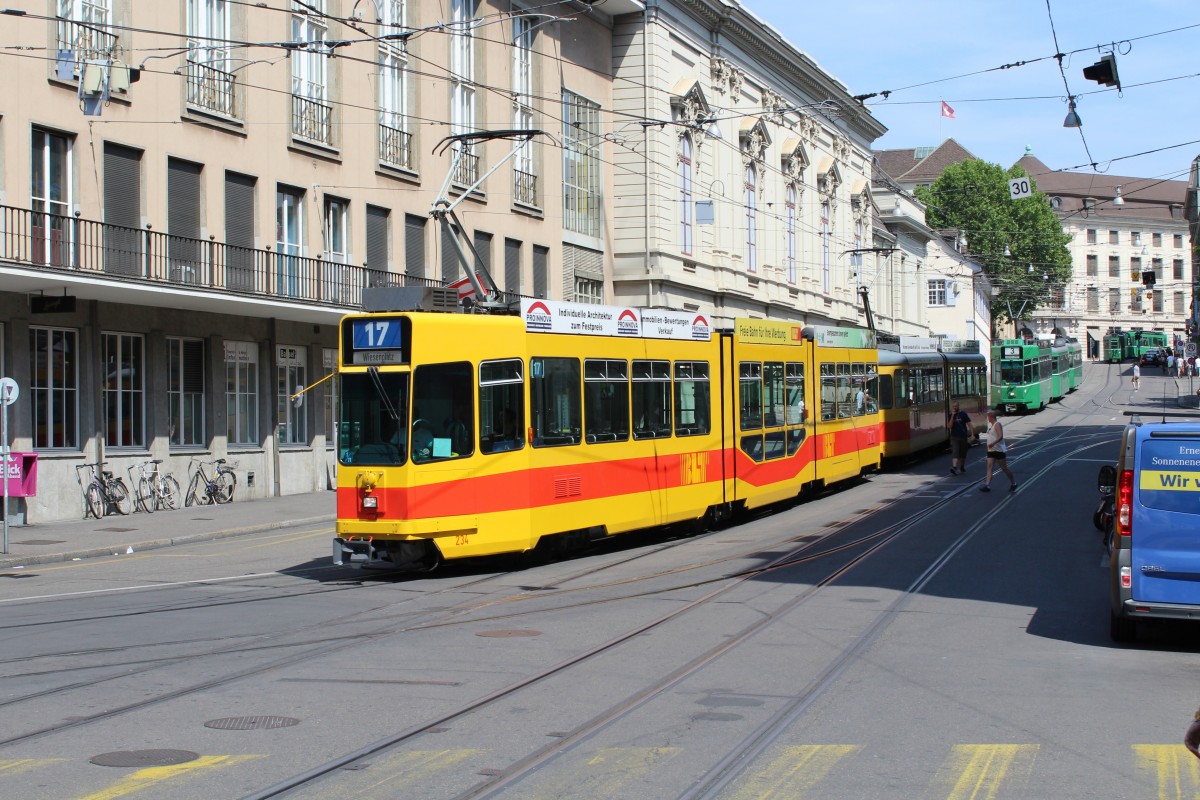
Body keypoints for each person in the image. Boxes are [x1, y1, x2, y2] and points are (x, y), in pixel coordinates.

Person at [978, 409, 1017, 493]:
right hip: (991, 450)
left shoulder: (997, 424)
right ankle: (987, 485)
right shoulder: (991, 425)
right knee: (989, 467)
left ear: (991, 416)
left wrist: (993, 443)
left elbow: (1000, 436)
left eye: (988, 415)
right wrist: (990, 445)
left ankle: (1013, 483)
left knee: (1004, 468)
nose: (987, 417)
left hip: (999, 450)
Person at [947, 401, 972, 475]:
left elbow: (969, 424)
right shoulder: (951, 415)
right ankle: (954, 467)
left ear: (958, 406)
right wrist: (952, 416)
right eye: (953, 406)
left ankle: (962, 466)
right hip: (954, 437)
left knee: (963, 454)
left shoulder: (963, 414)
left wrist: (972, 434)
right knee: (955, 451)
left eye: (956, 406)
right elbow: (949, 426)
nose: (955, 408)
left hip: (963, 436)